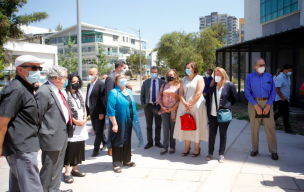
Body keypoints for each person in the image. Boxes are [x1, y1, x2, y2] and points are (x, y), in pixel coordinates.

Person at [0, 55, 44, 192]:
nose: (37, 71)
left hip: (24, 147)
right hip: (21, 149)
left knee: (17, 188)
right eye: (34, 67)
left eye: (39, 68)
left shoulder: (25, 88)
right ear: (20, 70)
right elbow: (2, 123)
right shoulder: (16, 90)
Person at [35, 66, 73, 192]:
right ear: (58, 78)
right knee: (49, 168)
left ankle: (54, 189)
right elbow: (37, 116)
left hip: (61, 134)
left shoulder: (58, 90)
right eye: (66, 77)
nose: (67, 80)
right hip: (51, 137)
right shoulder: (44, 92)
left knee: (58, 167)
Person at [107, 73, 143, 173]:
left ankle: (126, 160)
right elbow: (110, 110)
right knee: (118, 140)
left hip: (129, 120)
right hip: (119, 121)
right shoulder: (114, 92)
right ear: (117, 81)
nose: (123, 79)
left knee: (127, 139)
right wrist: (114, 124)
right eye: (120, 78)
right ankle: (117, 163)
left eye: (124, 77)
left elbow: (132, 106)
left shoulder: (129, 91)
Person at [245, 58, 278, 161]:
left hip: (267, 103)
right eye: (260, 65)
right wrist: (256, 106)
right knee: (254, 128)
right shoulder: (249, 77)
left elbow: (273, 92)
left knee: (270, 128)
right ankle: (254, 149)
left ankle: (273, 151)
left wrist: (268, 105)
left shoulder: (269, 77)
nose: (263, 67)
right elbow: (247, 92)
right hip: (254, 103)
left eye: (264, 64)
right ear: (255, 67)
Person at [173, 62, 209, 157]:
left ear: (194, 68)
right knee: (186, 125)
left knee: (197, 125)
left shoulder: (199, 78)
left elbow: (199, 92)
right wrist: (185, 104)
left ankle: (196, 148)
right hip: (184, 105)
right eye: (186, 67)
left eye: (189, 67)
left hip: (196, 105)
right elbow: (180, 92)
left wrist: (191, 104)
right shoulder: (184, 79)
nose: (187, 69)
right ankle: (187, 147)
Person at [206, 67, 237, 163]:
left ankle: (221, 154)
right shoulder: (212, 86)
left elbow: (234, 99)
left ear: (223, 75)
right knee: (212, 134)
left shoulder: (229, 85)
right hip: (212, 114)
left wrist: (226, 106)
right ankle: (210, 153)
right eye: (215, 74)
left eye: (219, 74)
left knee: (222, 134)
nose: (217, 76)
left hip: (223, 114)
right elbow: (209, 100)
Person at [63, 74, 89, 183]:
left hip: (81, 125)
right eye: (73, 81)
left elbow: (84, 108)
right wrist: (75, 121)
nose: (76, 83)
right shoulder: (64, 94)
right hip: (71, 126)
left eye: (77, 81)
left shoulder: (80, 94)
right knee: (70, 148)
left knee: (79, 147)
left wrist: (84, 118)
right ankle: (67, 172)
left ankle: (75, 168)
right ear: (69, 82)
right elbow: (66, 110)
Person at [104, 60, 130, 156]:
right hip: (114, 110)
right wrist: (112, 111)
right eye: (124, 68)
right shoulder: (110, 78)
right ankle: (110, 147)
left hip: (121, 110)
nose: (124, 70)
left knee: (121, 129)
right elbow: (108, 96)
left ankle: (122, 147)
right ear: (119, 67)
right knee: (112, 128)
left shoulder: (120, 78)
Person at [140, 66, 166, 149]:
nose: (153, 74)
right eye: (152, 72)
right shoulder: (146, 82)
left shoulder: (162, 82)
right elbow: (142, 94)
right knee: (149, 126)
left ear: (158, 73)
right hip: (148, 106)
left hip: (158, 106)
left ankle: (157, 141)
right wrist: (143, 104)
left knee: (158, 125)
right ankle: (149, 142)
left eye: (155, 72)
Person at [157, 69, 180, 155]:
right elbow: (159, 97)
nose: (170, 76)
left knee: (173, 129)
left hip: (173, 111)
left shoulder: (178, 86)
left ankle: (172, 147)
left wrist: (172, 108)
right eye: (168, 75)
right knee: (165, 129)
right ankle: (165, 147)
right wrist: (162, 107)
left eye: (171, 74)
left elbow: (179, 100)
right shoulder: (164, 85)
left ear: (175, 76)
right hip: (164, 110)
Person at [85, 68, 107, 157]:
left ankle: (96, 149)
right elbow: (88, 98)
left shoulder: (101, 84)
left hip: (99, 113)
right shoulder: (89, 85)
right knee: (97, 130)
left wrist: (102, 112)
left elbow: (103, 100)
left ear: (96, 74)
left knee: (98, 132)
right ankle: (105, 142)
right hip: (91, 112)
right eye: (89, 74)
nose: (90, 75)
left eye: (92, 74)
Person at [274, 64, 295, 135]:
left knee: (280, 112)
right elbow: (277, 88)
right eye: (289, 70)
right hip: (281, 98)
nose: (290, 72)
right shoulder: (280, 78)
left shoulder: (288, 77)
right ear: (284, 70)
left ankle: (270, 121)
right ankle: (287, 128)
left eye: (291, 71)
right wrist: (282, 97)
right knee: (286, 112)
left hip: (286, 98)